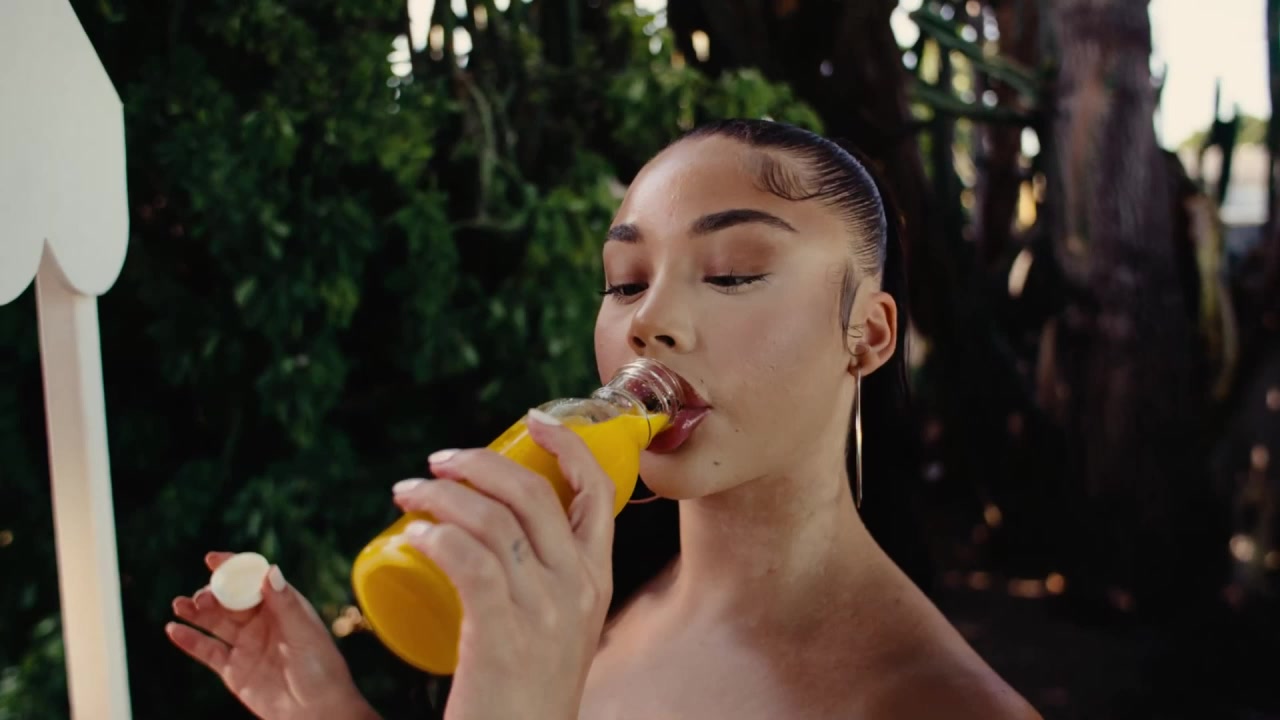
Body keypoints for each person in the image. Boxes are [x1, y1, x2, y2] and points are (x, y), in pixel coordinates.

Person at [167, 119, 1040, 719]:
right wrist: (330, 711)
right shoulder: (582, 599)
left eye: (732, 273)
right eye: (625, 282)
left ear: (869, 335)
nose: (647, 321)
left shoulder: (936, 704)